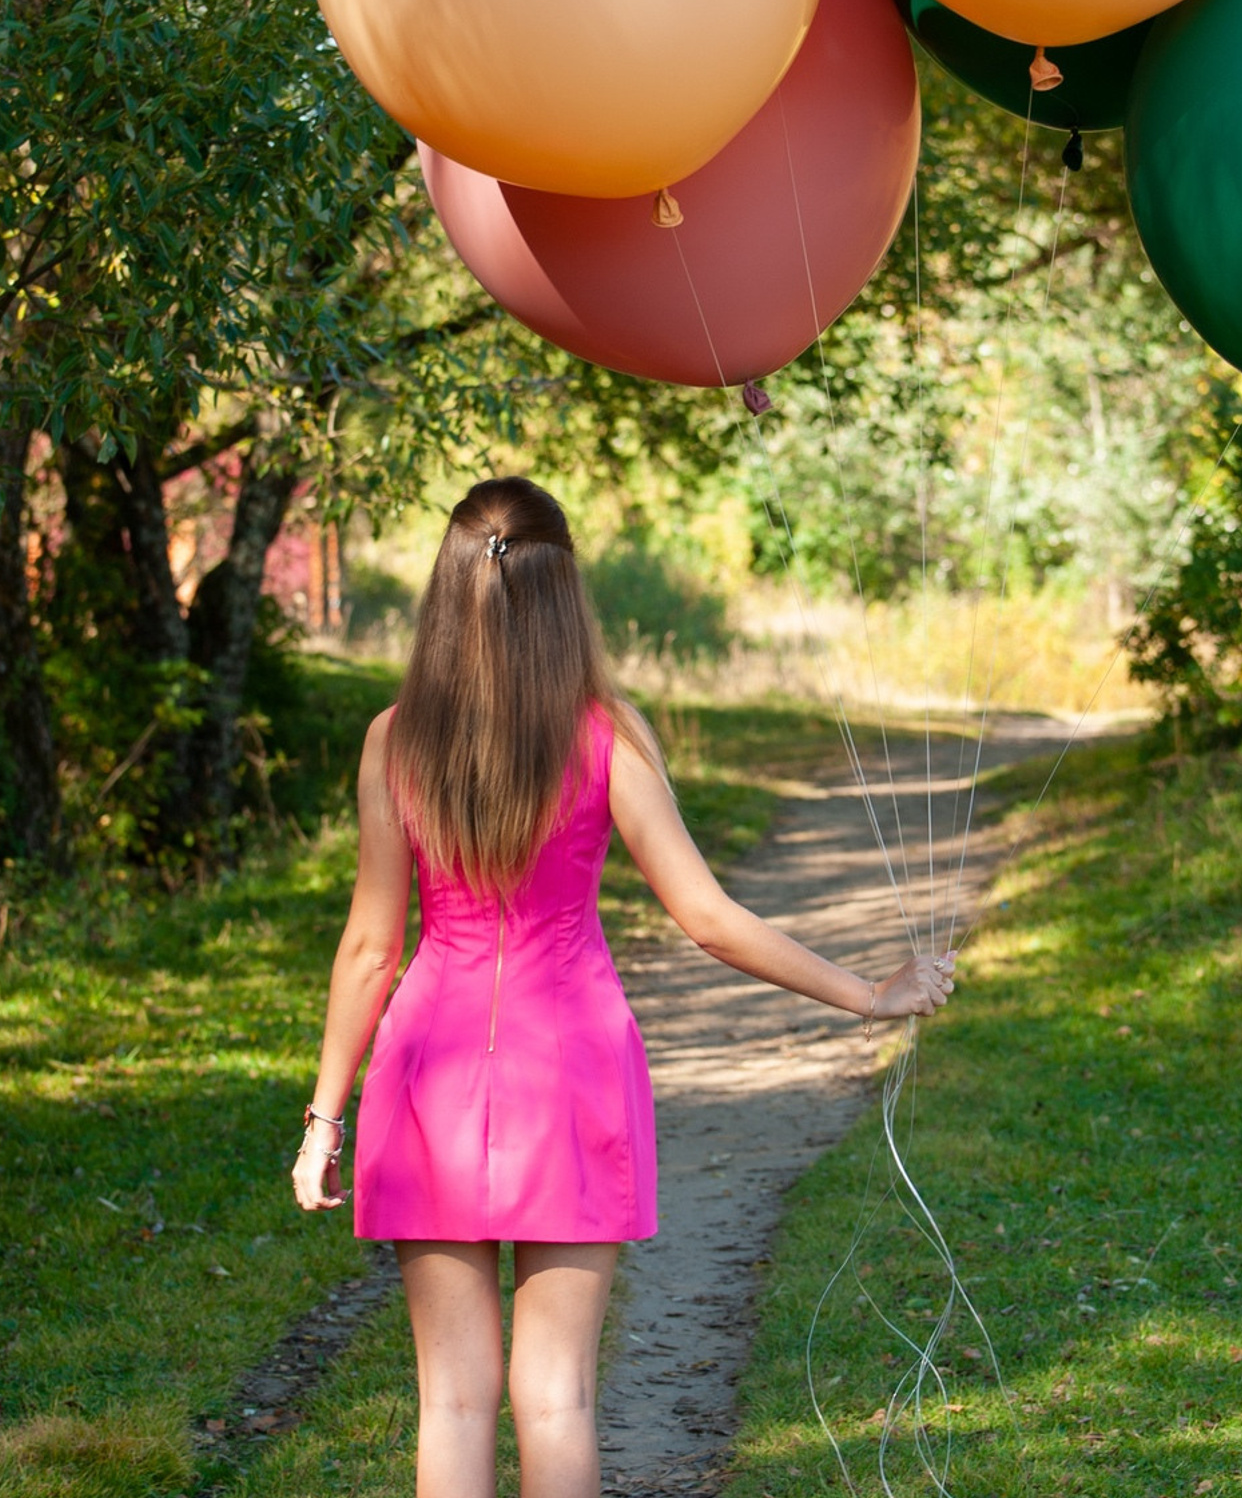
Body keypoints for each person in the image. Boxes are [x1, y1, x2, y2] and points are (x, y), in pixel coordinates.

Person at [291, 477, 955, 1498]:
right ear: (565, 592)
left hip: (427, 1073)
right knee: (557, 1400)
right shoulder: (608, 734)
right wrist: (868, 993)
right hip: (573, 1071)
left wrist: (324, 1121)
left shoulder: (396, 739)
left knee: (452, 1403)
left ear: (445, 586)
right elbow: (709, 918)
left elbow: (370, 950)